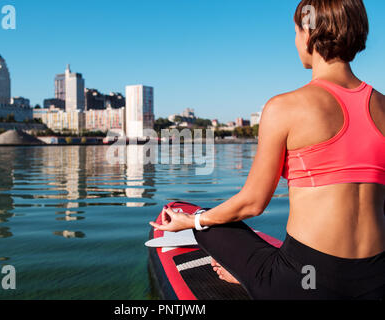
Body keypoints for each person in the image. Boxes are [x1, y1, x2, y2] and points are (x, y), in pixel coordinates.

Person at [150, 0, 385, 300]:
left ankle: (248, 273)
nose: (295, 40)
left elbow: (252, 204)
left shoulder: (284, 107)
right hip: (376, 280)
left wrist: (193, 221)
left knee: (209, 222)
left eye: (297, 31)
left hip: (304, 283)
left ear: (310, 35)